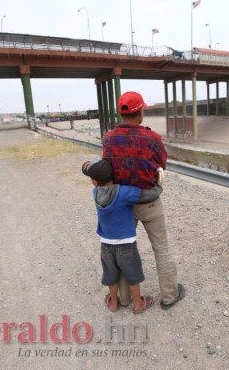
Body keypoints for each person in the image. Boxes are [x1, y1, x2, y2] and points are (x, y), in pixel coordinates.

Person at [102, 91, 185, 309]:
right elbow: (162, 165)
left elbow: (105, 169)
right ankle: (169, 296)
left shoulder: (109, 139)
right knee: (161, 249)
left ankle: (125, 298)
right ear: (140, 112)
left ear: (121, 113)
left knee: (123, 249)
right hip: (149, 202)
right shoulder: (153, 139)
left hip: (122, 205)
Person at [82, 157, 162, 314]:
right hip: (126, 244)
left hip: (106, 244)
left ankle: (113, 302)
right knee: (133, 274)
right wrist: (158, 187)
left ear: (95, 182)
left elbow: (88, 171)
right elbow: (147, 196)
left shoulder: (95, 192)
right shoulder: (124, 193)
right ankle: (138, 303)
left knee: (111, 274)